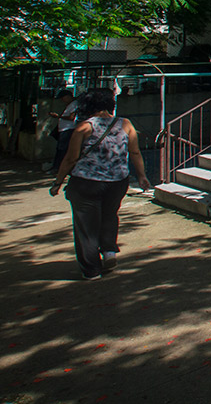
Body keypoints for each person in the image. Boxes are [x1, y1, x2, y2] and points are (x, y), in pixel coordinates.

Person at [48, 88, 151, 280]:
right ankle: (109, 251)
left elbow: (70, 159)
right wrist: (142, 176)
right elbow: (135, 152)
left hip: (87, 183)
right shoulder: (125, 124)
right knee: (110, 215)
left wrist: (58, 182)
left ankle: (91, 270)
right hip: (117, 182)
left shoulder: (84, 127)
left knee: (86, 226)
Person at [45, 89, 78, 173]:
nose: (62, 100)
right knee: (60, 149)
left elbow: (71, 118)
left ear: (68, 97)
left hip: (68, 129)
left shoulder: (74, 104)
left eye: (63, 98)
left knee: (62, 150)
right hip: (64, 129)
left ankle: (58, 168)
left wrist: (58, 116)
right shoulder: (70, 105)